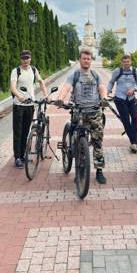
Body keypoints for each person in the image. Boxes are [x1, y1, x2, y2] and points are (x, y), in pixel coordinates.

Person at [56, 47, 110, 184]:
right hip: (79, 112)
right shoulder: (74, 75)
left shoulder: (95, 75)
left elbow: (102, 88)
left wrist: (104, 98)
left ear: (91, 60)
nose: (86, 61)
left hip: (94, 112)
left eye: (88, 59)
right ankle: (79, 170)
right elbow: (66, 87)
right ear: (80, 60)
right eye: (84, 58)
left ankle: (99, 171)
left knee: (98, 142)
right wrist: (61, 98)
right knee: (78, 140)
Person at [11, 50, 48, 168]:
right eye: (23, 58)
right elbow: (13, 87)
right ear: (20, 59)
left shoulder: (33, 70)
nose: (25, 60)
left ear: (30, 59)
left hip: (30, 105)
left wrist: (45, 94)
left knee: (26, 132)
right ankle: (17, 157)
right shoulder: (16, 71)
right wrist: (19, 96)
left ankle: (23, 155)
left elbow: (41, 81)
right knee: (18, 132)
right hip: (19, 105)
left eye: (27, 58)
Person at [107, 54, 137, 153]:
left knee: (135, 117)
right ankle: (134, 142)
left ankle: (134, 139)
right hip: (120, 99)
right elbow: (111, 82)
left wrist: (134, 89)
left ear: (131, 62)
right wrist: (108, 91)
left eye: (128, 61)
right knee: (126, 120)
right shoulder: (118, 71)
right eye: (124, 62)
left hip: (131, 99)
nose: (126, 63)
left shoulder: (135, 71)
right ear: (122, 62)